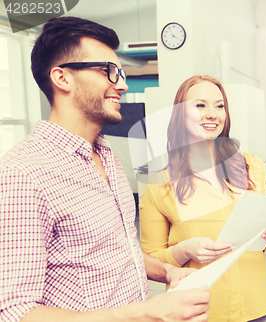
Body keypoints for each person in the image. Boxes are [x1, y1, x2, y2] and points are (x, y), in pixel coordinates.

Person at [0, 17, 210, 322]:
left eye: (120, 72)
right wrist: (145, 313)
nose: (122, 84)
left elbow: (119, 251)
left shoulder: (105, 153)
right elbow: (14, 310)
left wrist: (168, 272)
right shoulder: (23, 173)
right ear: (62, 78)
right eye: (107, 71)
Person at [140, 75, 266, 322]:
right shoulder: (159, 182)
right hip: (197, 310)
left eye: (220, 106)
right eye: (200, 105)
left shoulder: (251, 166)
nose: (213, 114)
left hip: (255, 305)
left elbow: (265, 242)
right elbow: (149, 258)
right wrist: (185, 250)